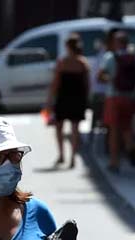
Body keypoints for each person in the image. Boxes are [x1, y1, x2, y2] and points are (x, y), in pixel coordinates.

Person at [98, 30, 135, 172]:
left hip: (113, 96)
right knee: (127, 127)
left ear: (116, 43)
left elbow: (101, 76)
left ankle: (114, 162)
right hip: (129, 96)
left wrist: (110, 79)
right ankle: (131, 148)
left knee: (113, 130)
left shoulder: (110, 57)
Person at [47, 33, 90, 168]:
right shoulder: (83, 62)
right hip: (78, 98)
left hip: (63, 97)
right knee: (75, 129)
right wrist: (86, 99)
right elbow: (87, 84)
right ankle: (72, 157)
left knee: (59, 127)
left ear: (67, 46)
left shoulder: (62, 62)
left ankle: (61, 155)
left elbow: (55, 82)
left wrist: (49, 99)